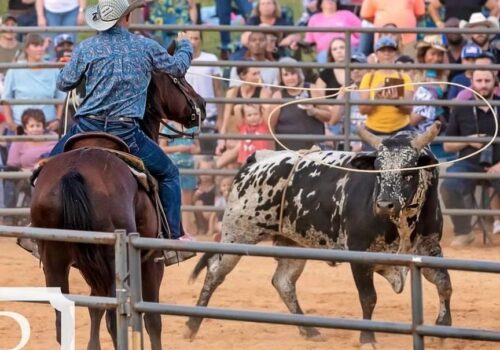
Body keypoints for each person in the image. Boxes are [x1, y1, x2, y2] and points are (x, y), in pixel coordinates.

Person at [50, 0, 196, 265]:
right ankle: (174, 236)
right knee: (169, 173)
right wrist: (186, 46)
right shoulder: (146, 47)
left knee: (45, 170)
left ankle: (37, 229)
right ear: (127, 18)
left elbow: (63, 82)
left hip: (84, 128)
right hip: (125, 132)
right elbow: (177, 68)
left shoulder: (86, 48)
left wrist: (73, 67)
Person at [440, 69, 500, 247]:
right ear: (471, 83)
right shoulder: (461, 108)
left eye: (487, 80)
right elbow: (447, 145)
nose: (483, 84)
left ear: (494, 82)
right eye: (479, 80)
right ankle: (464, 232)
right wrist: (467, 141)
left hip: (498, 165)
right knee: (448, 186)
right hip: (468, 164)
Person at [2, 33, 65, 132]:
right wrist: (11, 124)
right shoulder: (14, 70)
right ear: (26, 48)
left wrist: (57, 120)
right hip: (20, 127)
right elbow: (5, 99)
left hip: (47, 127)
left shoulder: (53, 70)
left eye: (41, 45)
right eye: (35, 46)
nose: (40, 49)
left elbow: (61, 98)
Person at [358, 36, 414, 147]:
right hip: (374, 131)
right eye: (383, 50)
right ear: (377, 54)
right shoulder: (368, 78)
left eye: (390, 50)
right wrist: (377, 98)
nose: (386, 53)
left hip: (401, 130)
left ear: (395, 54)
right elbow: (363, 110)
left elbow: (409, 109)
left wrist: (396, 101)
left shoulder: (404, 77)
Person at [270, 57, 331, 151]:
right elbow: (270, 127)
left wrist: (314, 111)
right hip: (287, 152)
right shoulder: (278, 96)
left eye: (293, 73)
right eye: (286, 75)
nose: (290, 78)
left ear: (298, 74)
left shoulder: (312, 89)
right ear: (281, 78)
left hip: (314, 150)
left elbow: (328, 116)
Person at [185, 30, 223, 155]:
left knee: (211, 154)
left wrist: (221, 118)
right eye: (190, 38)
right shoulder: (180, 61)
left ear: (201, 40)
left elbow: (218, 89)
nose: (193, 42)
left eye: (196, 38)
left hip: (210, 115)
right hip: (187, 116)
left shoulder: (211, 59)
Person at [160, 121, 200, 235]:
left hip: (189, 166)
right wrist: (179, 148)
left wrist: (193, 149)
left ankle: (186, 231)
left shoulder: (192, 128)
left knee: (186, 202)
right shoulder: (168, 128)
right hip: (174, 167)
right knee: (174, 199)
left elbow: (198, 148)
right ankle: (175, 230)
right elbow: (162, 147)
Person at [360, 0, 425, 50]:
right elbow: (365, 15)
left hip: (408, 41)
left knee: (408, 64)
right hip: (382, 42)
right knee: (383, 64)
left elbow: (420, 13)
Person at [429, 0, 497, 27]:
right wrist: (438, 23)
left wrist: (488, 24)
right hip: (451, 32)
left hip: (472, 33)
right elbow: (432, 7)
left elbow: (495, 7)